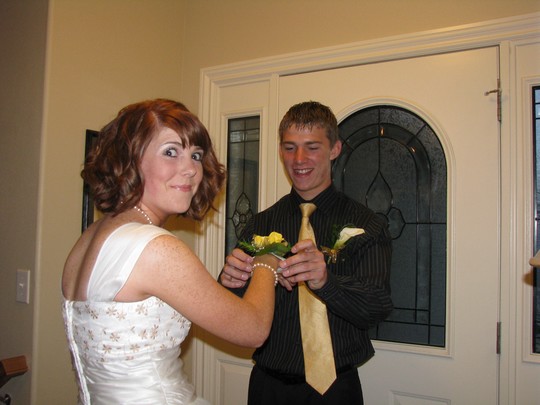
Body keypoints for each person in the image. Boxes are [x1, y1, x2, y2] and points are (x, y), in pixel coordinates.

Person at [61, 99, 279, 405]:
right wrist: (267, 262)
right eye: (170, 152)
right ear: (130, 158)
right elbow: (253, 329)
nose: (190, 169)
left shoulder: (88, 239)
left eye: (196, 155)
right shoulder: (156, 247)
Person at [220, 101, 393, 404]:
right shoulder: (260, 225)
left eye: (312, 147)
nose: (299, 159)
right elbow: (234, 310)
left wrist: (327, 282)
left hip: (335, 389)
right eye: (290, 148)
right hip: (267, 387)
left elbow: (377, 307)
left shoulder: (367, 225)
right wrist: (229, 283)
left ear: (335, 149)